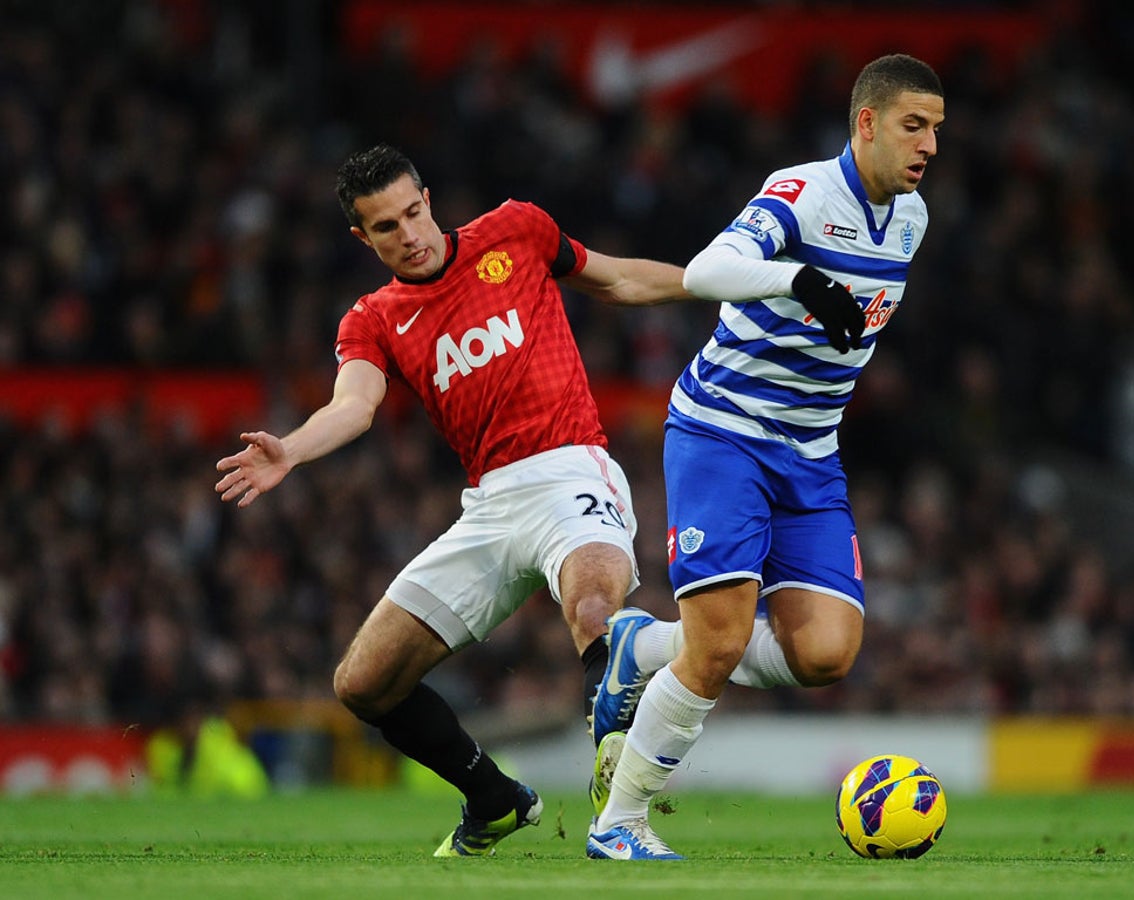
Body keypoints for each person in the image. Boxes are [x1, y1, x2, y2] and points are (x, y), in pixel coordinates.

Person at [214, 143, 689, 856]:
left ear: (428, 199)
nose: (407, 236)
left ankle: (624, 816)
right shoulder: (373, 319)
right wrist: (294, 449)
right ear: (361, 237)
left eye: (412, 213)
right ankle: (494, 800)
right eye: (384, 227)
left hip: (571, 471)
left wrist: (722, 281)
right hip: (491, 507)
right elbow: (354, 405)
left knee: (596, 612)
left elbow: (618, 280)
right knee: (365, 683)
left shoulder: (515, 231)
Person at [586, 53, 946, 860]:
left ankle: (638, 647)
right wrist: (799, 281)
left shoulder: (914, 220)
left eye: (936, 130)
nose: (928, 145)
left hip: (811, 455)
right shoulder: (803, 191)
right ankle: (621, 824)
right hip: (724, 432)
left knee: (826, 654)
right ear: (866, 123)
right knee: (716, 644)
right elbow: (709, 270)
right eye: (912, 125)